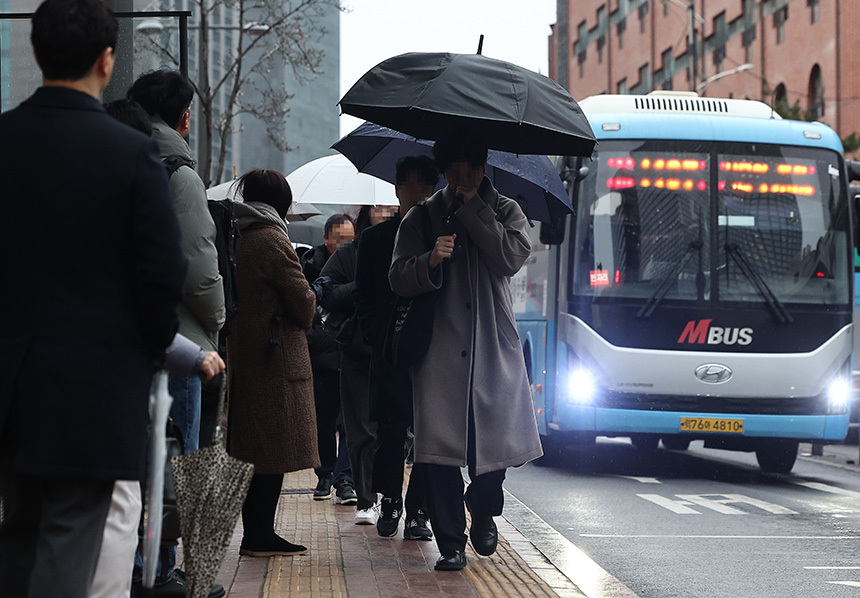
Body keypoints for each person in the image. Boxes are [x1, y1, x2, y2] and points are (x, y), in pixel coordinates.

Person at [0, 1, 187, 596]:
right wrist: (151, 346)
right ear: (108, 61)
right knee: (70, 538)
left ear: (35, 51)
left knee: (15, 536)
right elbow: (163, 276)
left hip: (8, 383)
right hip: (94, 393)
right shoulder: (132, 155)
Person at [90, 98, 226, 598]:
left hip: (66, 396)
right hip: (128, 384)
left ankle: (153, 573)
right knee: (146, 483)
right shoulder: (162, 187)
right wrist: (202, 341)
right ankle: (157, 573)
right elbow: (183, 272)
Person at [389, 137, 543, 571]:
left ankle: (484, 504)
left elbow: (511, 256)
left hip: (493, 344)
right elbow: (398, 276)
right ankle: (451, 542)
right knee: (437, 452)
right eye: (454, 171)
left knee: (493, 445)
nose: (462, 179)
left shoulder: (506, 209)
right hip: (438, 348)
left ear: (482, 167)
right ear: (444, 170)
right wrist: (429, 261)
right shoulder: (421, 216)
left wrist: (475, 211)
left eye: (470, 170)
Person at [127, 69, 226, 594]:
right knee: (173, 460)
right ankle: (162, 574)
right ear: (184, 117)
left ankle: (149, 570)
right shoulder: (180, 174)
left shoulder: (124, 158)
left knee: (146, 458)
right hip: (178, 339)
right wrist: (215, 324)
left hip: (130, 340)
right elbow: (197, 266)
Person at [228, 168, 320, 557]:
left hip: (245, 355)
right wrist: (313, 290)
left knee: (256, 448)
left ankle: (258, 533)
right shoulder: (272, 239)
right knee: (273, 450)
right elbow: (304, 304)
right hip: (275, 359)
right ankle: (260, 535)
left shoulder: (236, 235)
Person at [353, 157, 437, 540]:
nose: (419, 194)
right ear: (397, 189)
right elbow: (363, 296)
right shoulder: (373, 239)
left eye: (426, 186)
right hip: (389, 349)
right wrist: (375, 335)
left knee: (429, 433)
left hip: (433, 350)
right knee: (389, 431)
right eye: (411, 185)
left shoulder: (444, 238)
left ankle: (418, 509)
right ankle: (390, 500)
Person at [317, 205, 397, 525]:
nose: (386, 211)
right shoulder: (349, 254)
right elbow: (327, 292)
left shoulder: (408, 244)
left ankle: (393, 497)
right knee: (360, 430)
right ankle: (366, 498)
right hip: (357, 351)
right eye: (379, 207)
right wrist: (361, 285)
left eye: (391, 206)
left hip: (395, 350)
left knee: (396, 430)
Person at [301, 213, 358, 503]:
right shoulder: (309, 266)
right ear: (326, 239)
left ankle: (344, 479)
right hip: (321, 354)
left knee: (351, 420)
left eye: (350, 240)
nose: (345, 246)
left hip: (350, 352)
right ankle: (324, 474)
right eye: (340, 240)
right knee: (323, 419)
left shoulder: (360, 264)